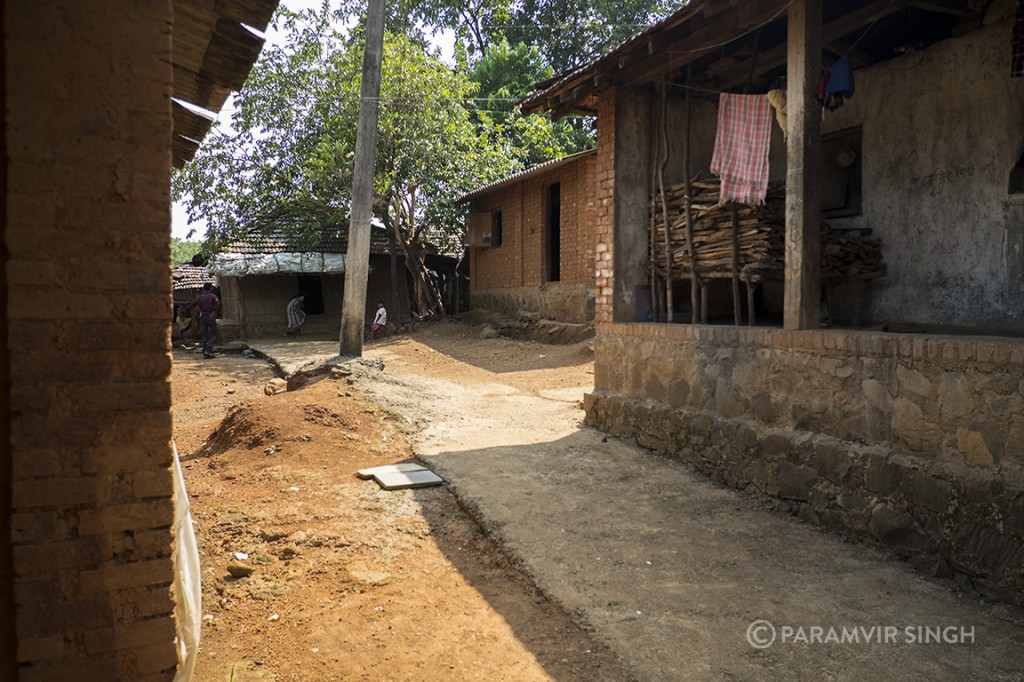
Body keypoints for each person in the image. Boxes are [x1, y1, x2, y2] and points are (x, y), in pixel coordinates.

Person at [191, 283, 220, 358]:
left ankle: (205, 352)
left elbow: (192, 305)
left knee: (205, 335)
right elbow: (218, 304)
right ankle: (208, 349)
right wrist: (213, 311)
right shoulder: (213, 296)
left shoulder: (199, 297)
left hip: (202, 316)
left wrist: (199, 310)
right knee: (215, 334)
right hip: (210, 315)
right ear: (211, 288)